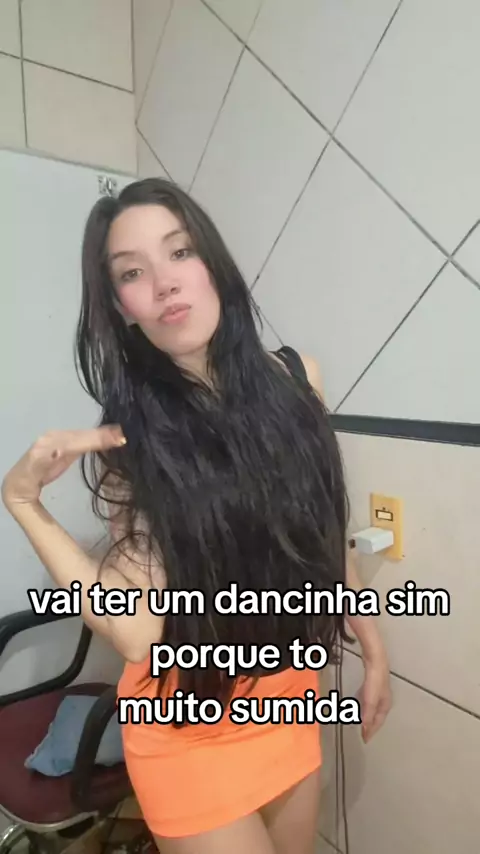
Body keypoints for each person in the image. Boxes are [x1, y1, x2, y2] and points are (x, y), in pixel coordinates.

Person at [1, 179, 391, 854]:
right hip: (187, 730)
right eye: (132, 273)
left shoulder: (298, 379)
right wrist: (24, 504)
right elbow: (138, 634)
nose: (164, 283)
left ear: (213, 262)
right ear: (121, 308)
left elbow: (324, 533)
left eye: (180, 251)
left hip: (287, 702)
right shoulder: (130, 439)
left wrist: (374, 649)